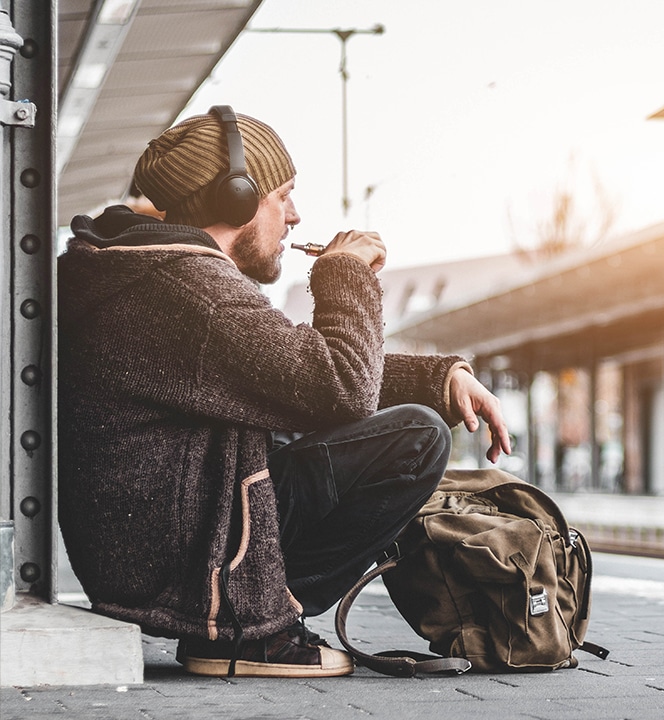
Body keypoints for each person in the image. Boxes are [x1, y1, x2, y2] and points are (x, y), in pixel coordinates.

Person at [57, 106, 512, 678]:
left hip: (154, 545)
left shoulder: (145, 271)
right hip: (187, 563)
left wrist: (438, 377)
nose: (295, 216)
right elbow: (339, 389)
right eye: (284, 195)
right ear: (237, 199)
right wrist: (344, 273)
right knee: (415, 437)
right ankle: (255, 632)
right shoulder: (191, 289)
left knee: (388, 417)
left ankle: (251, 619)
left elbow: (281, 365)